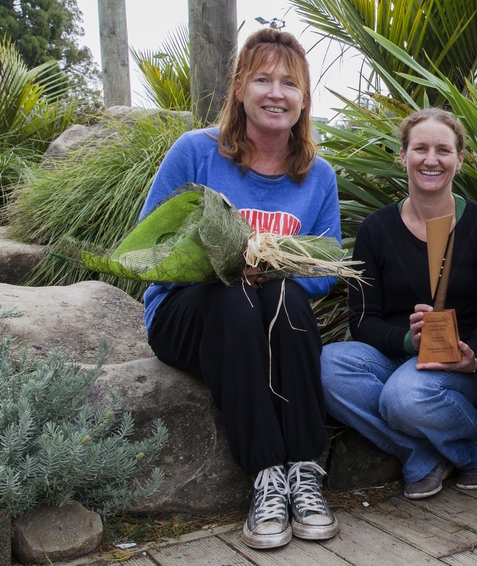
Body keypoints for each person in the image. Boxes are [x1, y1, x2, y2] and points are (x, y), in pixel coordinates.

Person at [141, 29, 340, 550]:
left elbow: (323, 271)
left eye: (289, 83)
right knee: (235, 298)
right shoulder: (196, 153)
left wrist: (272, 265)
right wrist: (227, 263)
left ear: (303, 99)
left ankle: (303, 468)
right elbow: (151, 247)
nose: (277, 93)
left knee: (287, 297)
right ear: (239, 89)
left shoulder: (317, 177)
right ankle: (266, 475)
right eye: (263, 79)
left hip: (270, 314)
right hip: (187, 314)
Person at [320, 108, 477, 501]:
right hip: (397, 353)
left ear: (459, 160)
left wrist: (474, 355)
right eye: (420, 148)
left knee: (404, 397)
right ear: (403, 155)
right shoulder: (376, 230)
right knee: (327, 366)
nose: (431, 160)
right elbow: (362, 319)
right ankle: (426, 454)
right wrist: (409, 340)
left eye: (443, 150)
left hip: (458, 364)